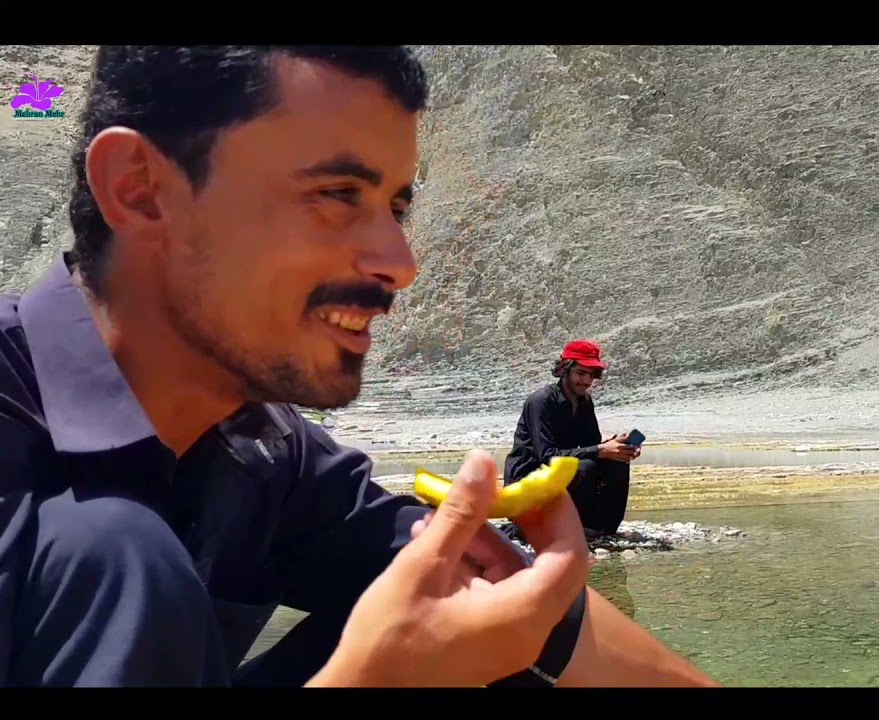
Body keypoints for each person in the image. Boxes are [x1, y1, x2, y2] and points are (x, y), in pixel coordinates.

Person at [0, 46, 718, 688]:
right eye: (338, 195)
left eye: (396, 208)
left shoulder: (261, 447)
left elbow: (517, 599)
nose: (400, 266)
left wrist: (527, 612)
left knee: (465, 612)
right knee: (118, 557)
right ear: (139, 188)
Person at [503, 340, 639, 537]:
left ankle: (601, 528)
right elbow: (548, 456)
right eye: (580, 373)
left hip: (561, 473)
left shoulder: (584, 401)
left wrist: (617, 446)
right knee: (585, 467)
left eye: (590, 375)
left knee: (617, 461)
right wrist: (601, 450)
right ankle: (566, 525)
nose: (585, 381)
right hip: (528, 479)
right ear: (565, 370)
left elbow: (590, 445)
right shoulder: (541, 401)